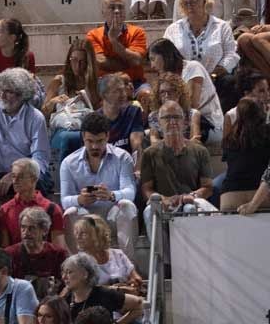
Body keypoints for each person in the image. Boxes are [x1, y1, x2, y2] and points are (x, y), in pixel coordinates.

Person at [139, 100, 217, 232]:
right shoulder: (149, 154)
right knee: (149, 211)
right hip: (164, 203)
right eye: (167, 118)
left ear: (185, 122)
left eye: (176, 117)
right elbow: (146, 189)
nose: (172, 121)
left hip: (191, 201)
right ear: (159, 123)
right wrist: (164, 199)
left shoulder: (200, 151)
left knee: (190, 209)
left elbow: (208, 187)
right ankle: (159, 253)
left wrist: (192, 196)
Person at [0, 68, 52, 198]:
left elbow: (40, 158)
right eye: (1, 90)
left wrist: (14, 175)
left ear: (22, 95)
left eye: (9, 92)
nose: (2, 96)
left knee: (39, 183)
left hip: (26, 172)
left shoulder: (36, 117)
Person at [0, 158, 64, 250]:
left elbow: (58, 248)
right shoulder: (5, 209)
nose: (15, 181)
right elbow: (5, 248)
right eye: (13, 176)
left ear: (34, 179)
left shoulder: (52, 209)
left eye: (21, 176)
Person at [3, 208, 67, 297]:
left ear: (44, 231)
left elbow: (65, 285)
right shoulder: (9, 254)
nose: (26, 232)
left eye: (31, 228)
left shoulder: (58, 254)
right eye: (23, 227)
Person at [58, 254, 141, 321]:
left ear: (85, 274)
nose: (64, 277)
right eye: (63, 273)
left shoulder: (104, 294)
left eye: (69, 272)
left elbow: (139, 305)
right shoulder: (66, 299)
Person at [0, 19, 38, 98]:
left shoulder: (28, 56)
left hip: (22, 96)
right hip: (1, 96)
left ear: (12, 37)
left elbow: (31, 84)